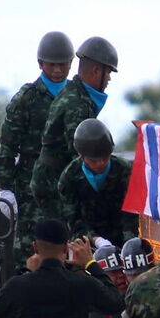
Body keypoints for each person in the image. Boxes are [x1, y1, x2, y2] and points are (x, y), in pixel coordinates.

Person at [0, 31, 75, 260]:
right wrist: (7, 189)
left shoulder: (77, 98)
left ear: (70, 64)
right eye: (52, 65)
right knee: (29, 251)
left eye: (63, 65)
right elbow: (7, 148)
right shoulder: (26, 99)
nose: (58, 70)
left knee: (72, 246)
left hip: (68, 182)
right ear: (41, 64)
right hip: (32, 188)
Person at [30, 36, 118, 215]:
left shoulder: (77, 95)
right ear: (95, 71)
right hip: (54, 183)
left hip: (52, 178)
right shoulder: (77, 104)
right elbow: (79, 154)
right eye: (107, 73)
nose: (109, 79)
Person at [58, 118, 137, 247]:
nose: (100, 163)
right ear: (81, 155)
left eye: (105, 158)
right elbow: (73, 221)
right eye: (94, 160)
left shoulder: (124, 170)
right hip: (87, 244)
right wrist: (96, 240)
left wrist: (129, 243)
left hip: (123, 239)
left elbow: (131, 214)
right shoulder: (69, 177)